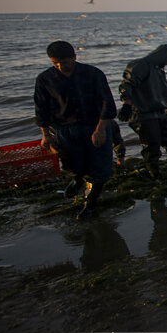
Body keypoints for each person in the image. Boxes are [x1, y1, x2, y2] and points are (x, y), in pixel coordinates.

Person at [33, 40, 117, 218]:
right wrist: (46, 135)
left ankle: (90, 204)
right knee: (72, 164)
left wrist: (101, 129)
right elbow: (41, 109)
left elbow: (107, 103)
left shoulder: (93, 74)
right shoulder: (45, 79)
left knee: (99, 167)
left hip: (95, 125)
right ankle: (77, 179)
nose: (60, 66)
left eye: (64, 62)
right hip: (65, 129)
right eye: (55, 63)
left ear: (74, 58)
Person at [118, 43, 167, 179]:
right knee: (151, 147)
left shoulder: (158, 70)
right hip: (144, 115)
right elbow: (126, 84)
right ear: (161, 56)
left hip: (161, 112)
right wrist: (126, 103)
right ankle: (155, 176)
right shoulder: (140, 65)